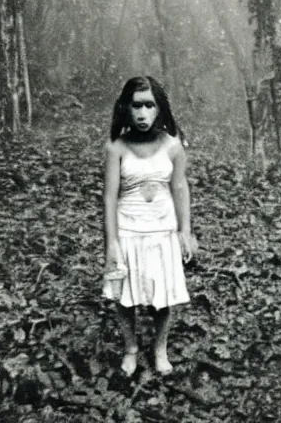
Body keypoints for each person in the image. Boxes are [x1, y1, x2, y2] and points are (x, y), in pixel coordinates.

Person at [102, 75, 197, 377]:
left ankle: (159, 349)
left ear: (159, 108)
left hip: (161, 231)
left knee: (162, 297)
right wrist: (112, 241)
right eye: (136, 106)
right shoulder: (116, 148)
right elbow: (109, 196)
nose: (142, 113)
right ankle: (131, 347)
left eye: (149, 105)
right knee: (124, 295)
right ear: (126, 109)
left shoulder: (173, 146)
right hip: (128, 231)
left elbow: (180, 187)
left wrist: (185, 230)